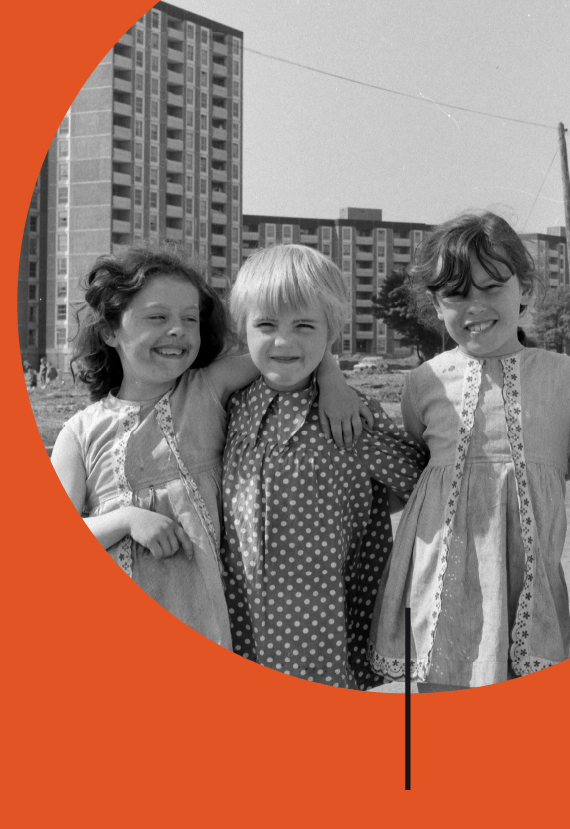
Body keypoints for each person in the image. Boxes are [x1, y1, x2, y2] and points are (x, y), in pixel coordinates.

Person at [51, 248, 364, 647]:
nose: (178, 329)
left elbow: (283, 353)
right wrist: (128, 519)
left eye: (189, 318)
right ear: (111, 330)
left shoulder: (208, 389)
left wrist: (332, 377)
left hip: (204, 616)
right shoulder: (79, 432)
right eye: (157, 317)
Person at [371, 212, 570, 689]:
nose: (475, 305)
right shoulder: (423, 381)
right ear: (436, 306)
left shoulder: (564, 374)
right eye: (456, 294)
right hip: (441, 575)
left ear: (525, 290)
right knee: (441, 689)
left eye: (492, 286)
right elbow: (421, 464)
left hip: (528, 570)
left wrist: (545, 471)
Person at [220, 245, 427, 689]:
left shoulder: (350, 416)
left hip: (321, 629)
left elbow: (420, 481)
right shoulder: (229, 408)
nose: (284, 341)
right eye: (266, 325)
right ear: (243, 330)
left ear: (331, 330)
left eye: (304, 326)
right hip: (241, 622)